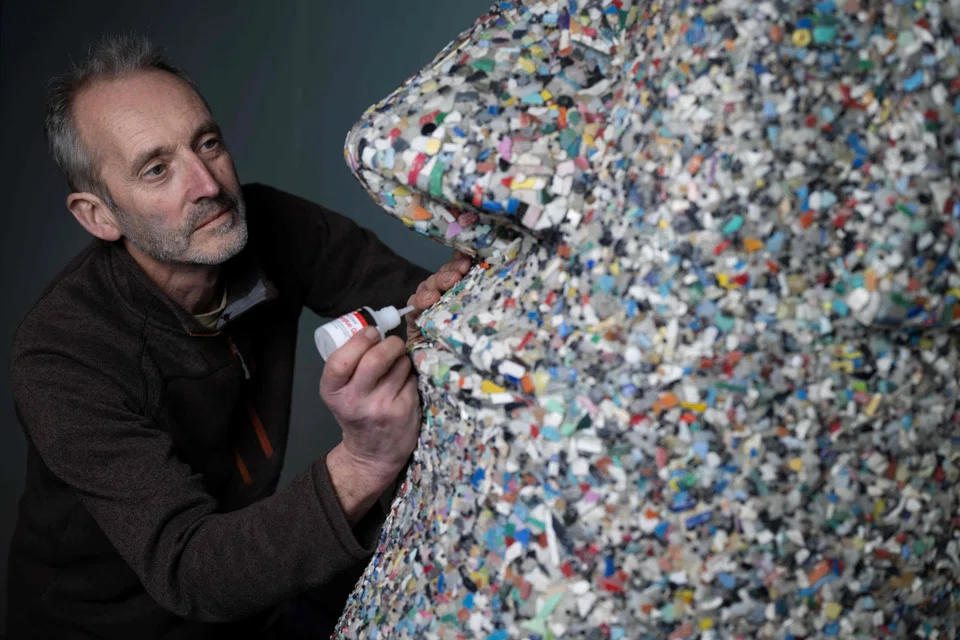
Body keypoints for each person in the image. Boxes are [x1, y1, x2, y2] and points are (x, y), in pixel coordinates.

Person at [6, 34, 470, 639]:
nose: (207, 184)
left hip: (260, 588)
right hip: (109, 625)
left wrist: (439, 307)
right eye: (156, 169)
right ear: (99, 215)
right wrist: (363, 462)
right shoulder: (59, 355)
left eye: (208, 143)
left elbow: (421, 303)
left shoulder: (269, 222)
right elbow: (191, 569)